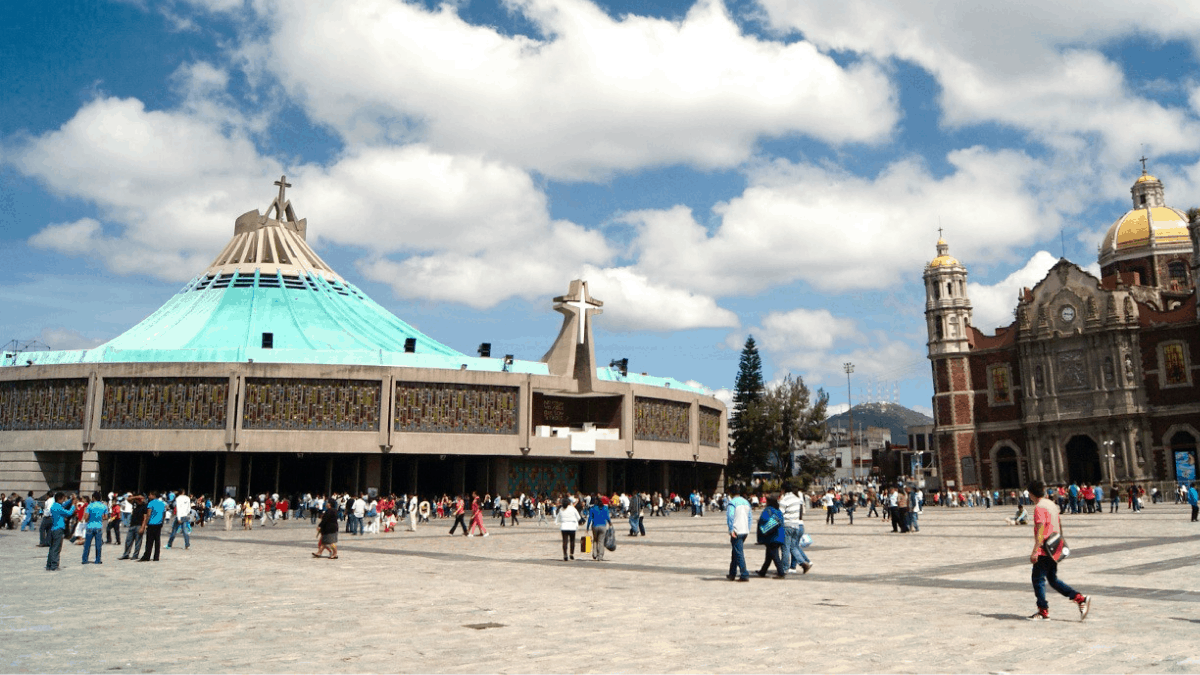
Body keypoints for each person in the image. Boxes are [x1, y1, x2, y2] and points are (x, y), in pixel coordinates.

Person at [1027, 480, 1090, 621]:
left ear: (1031, 493)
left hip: (1044, 549)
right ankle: (1079, 598)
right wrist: (1060, 543)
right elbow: (1059, 524)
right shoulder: (1051, 505)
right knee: (1052, 580)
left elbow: (1041, 530)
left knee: (1037, 579)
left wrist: (1035, 550)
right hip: (1054, 547)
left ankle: (1043, 611)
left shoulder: (1039, 507)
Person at [779, 487, 813, 574]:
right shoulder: (797, 500)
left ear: (783, 490)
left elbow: (780, 514)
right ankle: (803, 563)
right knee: (793, 547)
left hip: (787, 525)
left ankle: (784, 568)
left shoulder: (784, 500)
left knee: (785, 548)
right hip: (796, 525)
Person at [725, 485, 752, 581]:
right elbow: (750, 517)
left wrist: (731, 529)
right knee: (735, 551)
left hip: (737, 530)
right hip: (744, 530)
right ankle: (732, 573)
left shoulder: (732, 503)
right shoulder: (746, 502)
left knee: (738, 552)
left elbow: (730, 517)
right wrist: (748, 529)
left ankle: (744, 574)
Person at [755, 495, 786, 578]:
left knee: (775, 556)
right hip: (779, 535)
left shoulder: (768, 510)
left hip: (772, 536)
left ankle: (781, 572)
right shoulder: (778, 510)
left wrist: (759, 522)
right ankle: (763, 571)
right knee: (769, 556)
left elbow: (763, 519)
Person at [45, 492, 75, 571]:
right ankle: (54, 566)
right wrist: (73, 505)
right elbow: (69, 513)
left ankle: (49, 565)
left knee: (52, 548)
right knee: (56, 548)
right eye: (63, 498)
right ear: (60, 499)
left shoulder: (54, 506)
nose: (64, 500)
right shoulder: (58, 507)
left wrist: (70, 500)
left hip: (53, 529)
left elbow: (64, 504)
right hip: (59, 529)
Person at [80, 491, 107, 564]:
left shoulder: (89, 506)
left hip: (90, 526)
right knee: (98, 544)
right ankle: (98, 560)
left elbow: (86, 517)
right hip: (98, 527)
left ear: (93, 498)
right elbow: (106, 517)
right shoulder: (104, 506)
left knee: (87, 544)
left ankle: (84, 559)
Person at [139, 492, 166, 562]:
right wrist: (162, 522)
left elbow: (148, 514)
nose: (149, 496)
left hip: (151, 524)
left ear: (153, 495)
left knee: (149, 541)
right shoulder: (162, 503)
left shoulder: (151, 503)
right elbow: (164, 514)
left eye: (150, 495)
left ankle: (147, 556)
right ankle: (156, 557)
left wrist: (145, 524)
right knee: (157, 541)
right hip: (159, 524)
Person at [119, 494, 147, 560]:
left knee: (138, 542)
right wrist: (136, 497)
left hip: (139, 525)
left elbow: (145, 518)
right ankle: (126, 554)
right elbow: (128, 499)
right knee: (128, 541)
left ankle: (135, 555)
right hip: (132, 525)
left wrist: (143, 527)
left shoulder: (145, 506)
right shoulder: (135, 504)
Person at [584, 494, 611, 561]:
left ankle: (594, 553)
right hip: (603, 525)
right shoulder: (605, 508)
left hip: (595, 526)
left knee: (595, 540)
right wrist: (610, 523)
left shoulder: (592, 508)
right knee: (601, 541)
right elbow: (607, 517)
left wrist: (587, 527)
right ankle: (600, 556)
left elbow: (590, 518)